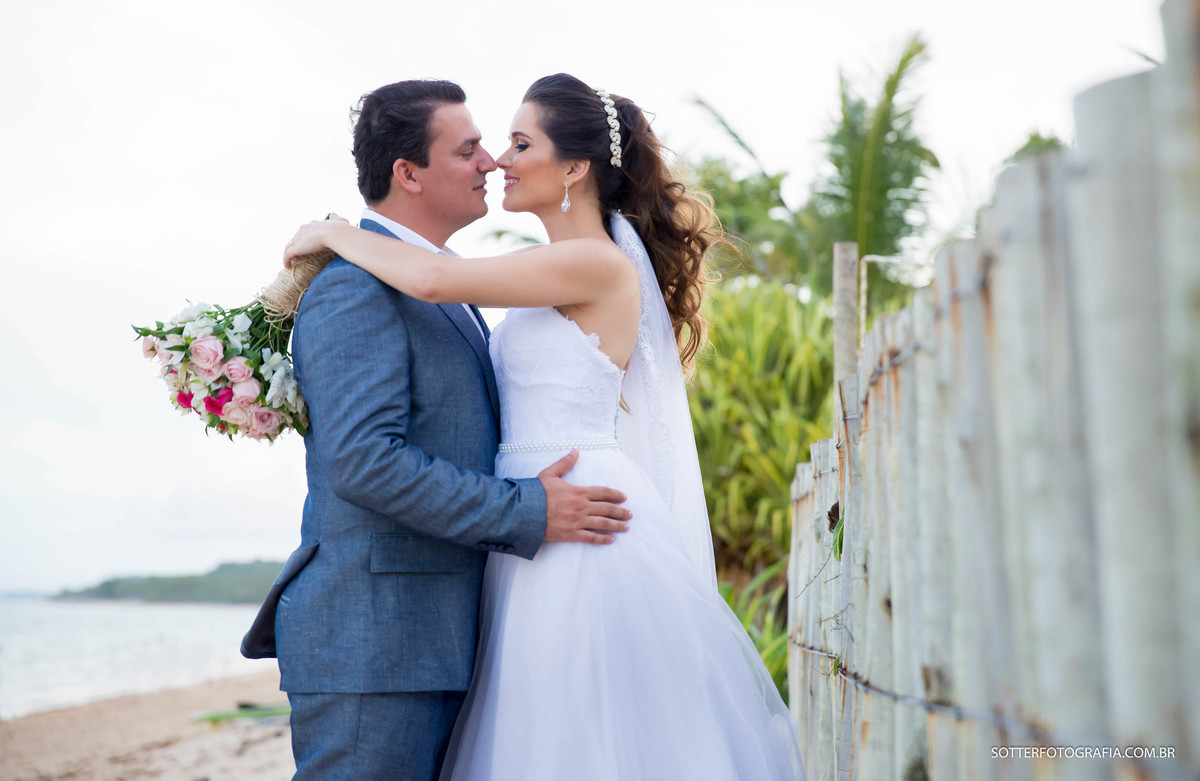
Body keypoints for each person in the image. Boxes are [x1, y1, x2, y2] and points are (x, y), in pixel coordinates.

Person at [282, 73, 806, 780]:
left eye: (519, 142)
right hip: (527, 525)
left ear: (575, 166)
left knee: (578, 732)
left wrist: (331, 232)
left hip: (574, 518)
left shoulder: (590, 261)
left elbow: (431, 283)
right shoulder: (539, 271)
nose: (500, 160)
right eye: (490, 146)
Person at [241, 79, 633, 781]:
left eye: (498, 145)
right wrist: (527, 508)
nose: (489, 162)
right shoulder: (354, 286)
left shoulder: (442, 282)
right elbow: (364, 461)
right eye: (468, 148)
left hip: (441, 633)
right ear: (408, 173)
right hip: (376, 641)